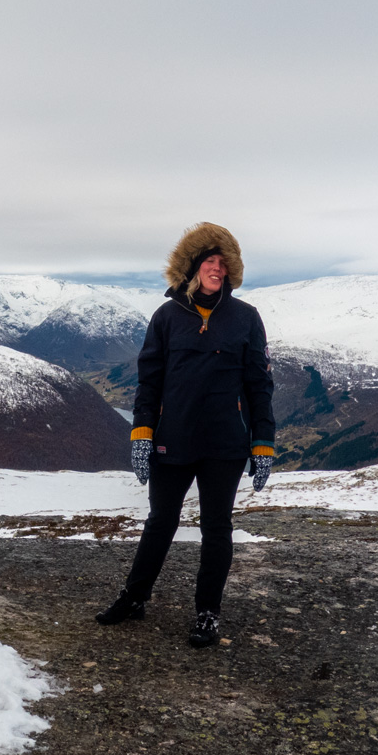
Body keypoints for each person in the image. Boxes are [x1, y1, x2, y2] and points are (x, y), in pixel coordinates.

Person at [95, 222, 275, 648]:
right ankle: (135, 597)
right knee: (161, 521)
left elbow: (259, 387)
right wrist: (141, 434)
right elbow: (149, 381)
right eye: (210, 262)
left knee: (217, 527)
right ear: (192, 268)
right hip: (172, 438)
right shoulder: (167, 317)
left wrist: (262, 443)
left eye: (224, 263)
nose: (218, 269)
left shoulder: (246, 318)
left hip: (224, 444)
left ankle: (208, 614)